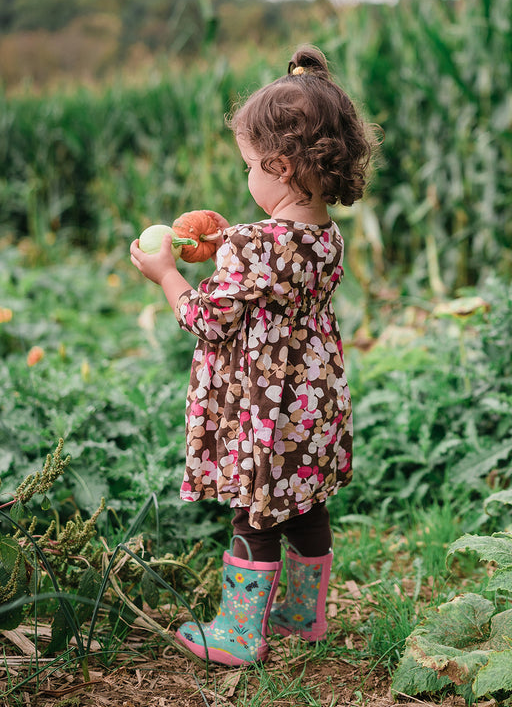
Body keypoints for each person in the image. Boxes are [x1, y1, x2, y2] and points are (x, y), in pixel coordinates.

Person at [130, 46, 376, 667]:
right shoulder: (326, 235)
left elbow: (207, 318)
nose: (248, 178)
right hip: (310, 406)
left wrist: (166, 275)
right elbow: (271, 270)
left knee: (255, 512)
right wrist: (227, 244)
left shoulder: (251, 245)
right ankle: (304, 615)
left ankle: (240, 634)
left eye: (249, 165)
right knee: (305, 503)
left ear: (282, 165)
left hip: (260, 412)